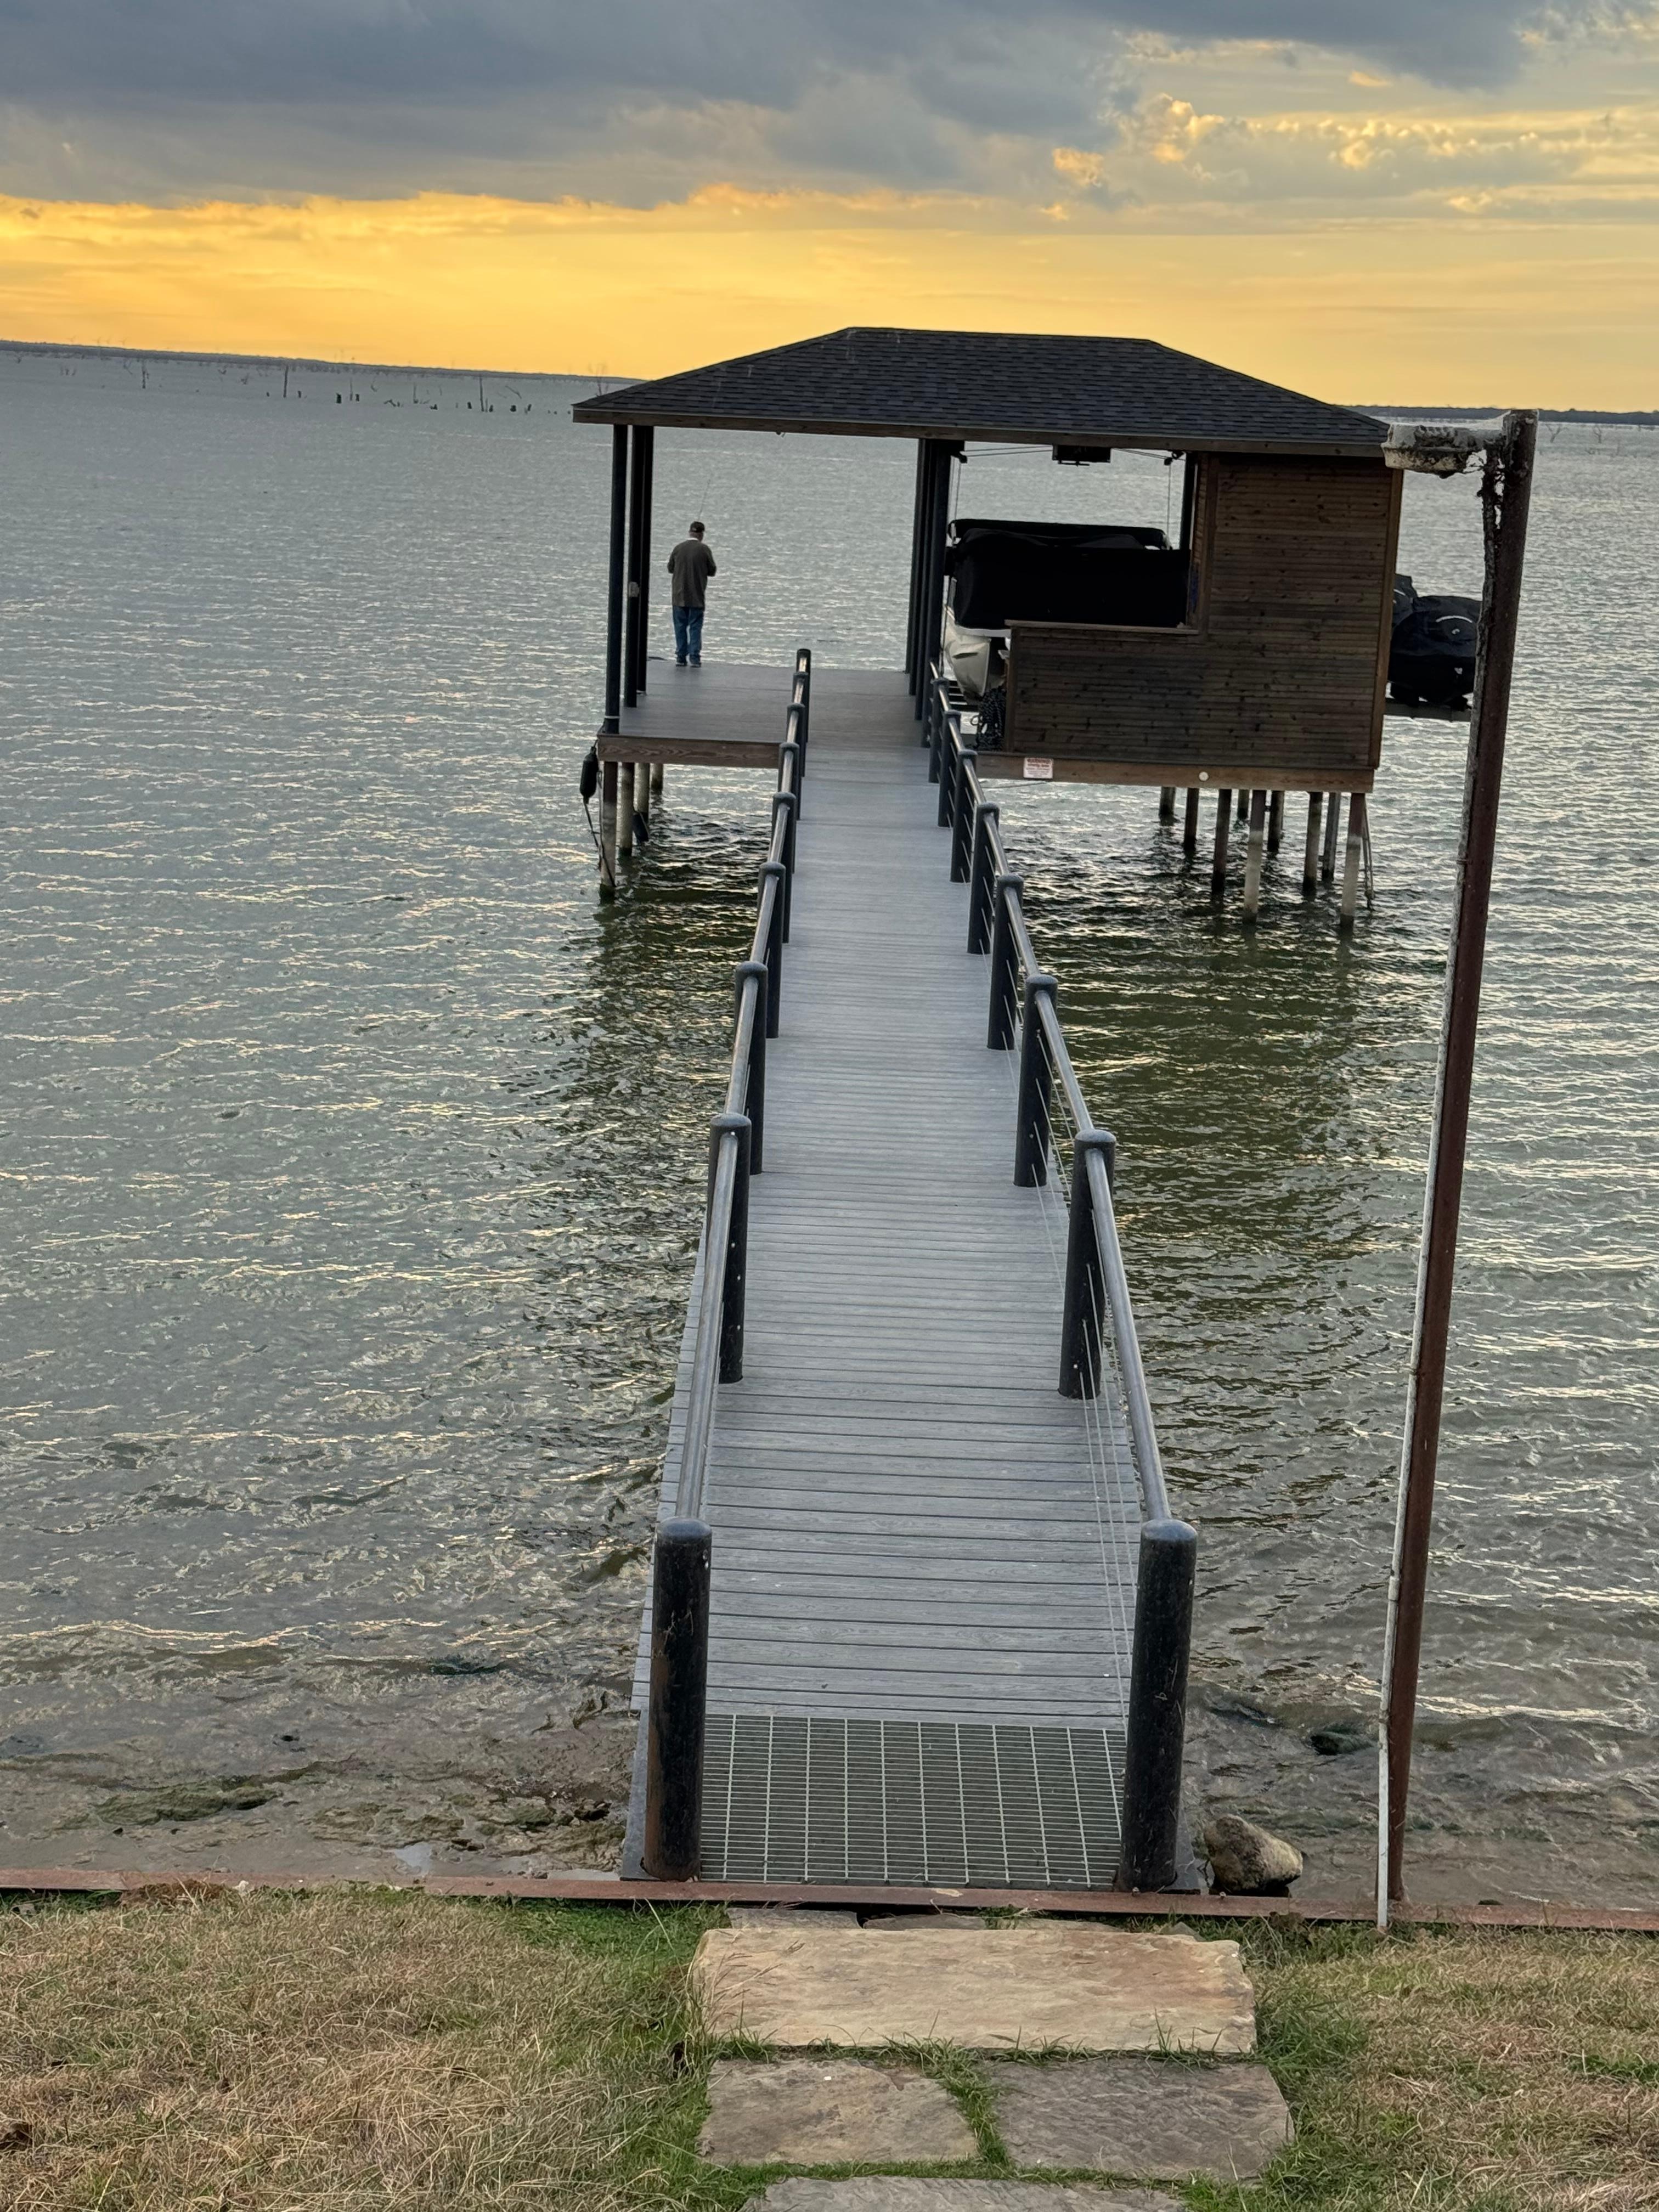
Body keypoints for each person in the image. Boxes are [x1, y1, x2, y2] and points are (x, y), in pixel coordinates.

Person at [667, 520, 716, 665]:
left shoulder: (678, 548)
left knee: (680, 626)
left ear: (690, 532)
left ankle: (681, 657)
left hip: (679, 596)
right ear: (701, 534)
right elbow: (712, 571)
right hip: (697, 596)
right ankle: (694, 658)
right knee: (695, 627)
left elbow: (670, 568)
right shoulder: (704, 550)